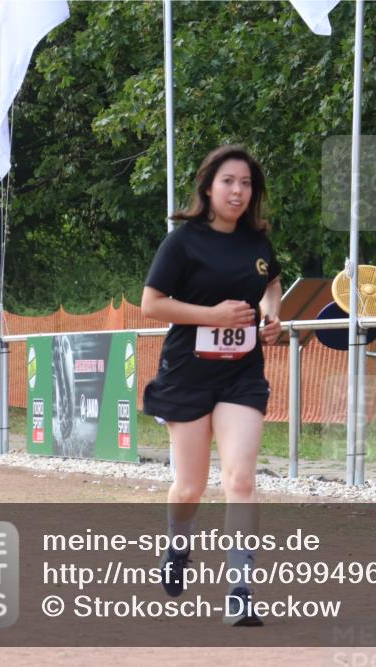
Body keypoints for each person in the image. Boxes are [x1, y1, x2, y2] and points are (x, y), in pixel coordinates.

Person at [141, 145, 282, 627]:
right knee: (190, 486)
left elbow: (271, 283)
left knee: (240, 480)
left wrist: (271, 314)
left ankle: (240, 590)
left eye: (246, 183)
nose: (238, 191)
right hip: (187, 373)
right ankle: (177, 546)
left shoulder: (258, 240)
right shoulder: (182, 242)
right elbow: (152, 304)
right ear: (208, 187)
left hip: (241, 373)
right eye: (228, 182)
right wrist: (214, 316)